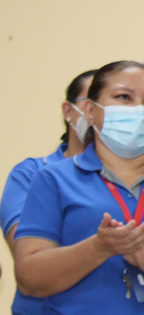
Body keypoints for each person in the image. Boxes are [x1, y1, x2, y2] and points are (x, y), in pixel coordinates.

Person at [13, 61, 144, 314]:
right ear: (90, 110)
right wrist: (99, 247)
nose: (139, 110)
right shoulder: (53, 179)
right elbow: (30, 278)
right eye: (123, 97)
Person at [1, 69, 96, 314]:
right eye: (90, 103)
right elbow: (31, 261)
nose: (98, 113)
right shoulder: (31, 174)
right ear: (68, 111)